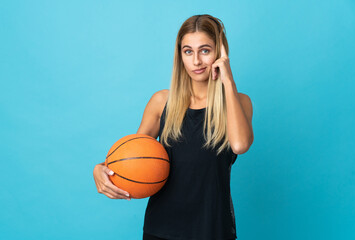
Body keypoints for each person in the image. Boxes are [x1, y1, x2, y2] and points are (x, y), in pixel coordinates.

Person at [93, 14, 254, 240]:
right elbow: (133, 159)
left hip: (213, 230)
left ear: (220, 53)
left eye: (205, 50)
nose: (196, 61)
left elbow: (239, 145)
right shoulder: (161, 102)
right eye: (188, 51)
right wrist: (100, 169)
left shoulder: (239, 102)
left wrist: (228, 80)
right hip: (161, 230)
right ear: (180, 55)